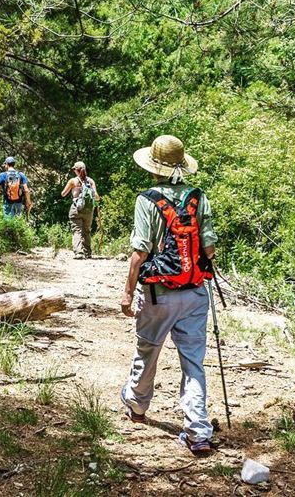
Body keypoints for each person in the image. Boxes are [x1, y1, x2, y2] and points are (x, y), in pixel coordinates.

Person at [119, 135, 218, 454]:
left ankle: (136, 406)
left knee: (148, 350)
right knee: (193, 362)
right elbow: (210, 249)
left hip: (158, 294)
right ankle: (198, 430)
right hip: (194, 292)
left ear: (154, 166)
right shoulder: (197, 197)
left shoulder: (146, 200)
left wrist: (127, 293)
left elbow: (139, 254)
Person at [61, 161, 100, 259]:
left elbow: (63, 194)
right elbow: (96, 197)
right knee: (86, 231)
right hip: (88, 211)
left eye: (74, 169)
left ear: (76, 170)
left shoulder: (73, 181)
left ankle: (79, 253)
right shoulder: (91, 181)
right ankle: (88, 253)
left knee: (77, 231)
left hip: (76, 209)